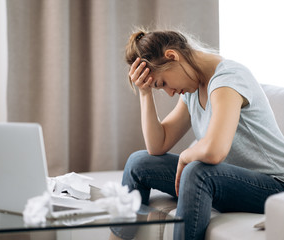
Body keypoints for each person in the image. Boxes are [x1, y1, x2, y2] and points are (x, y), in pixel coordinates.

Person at [114, 29, 284, 240]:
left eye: (163, 83)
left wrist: (187, 155)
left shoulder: (228, 78)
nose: (169, 92)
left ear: (172, 56)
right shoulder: (193, 89)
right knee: (138, 162)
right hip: (229, 181)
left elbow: (215, 151)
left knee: (197, 171)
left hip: (274, 186)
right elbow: (157, 145)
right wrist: (145, 93)